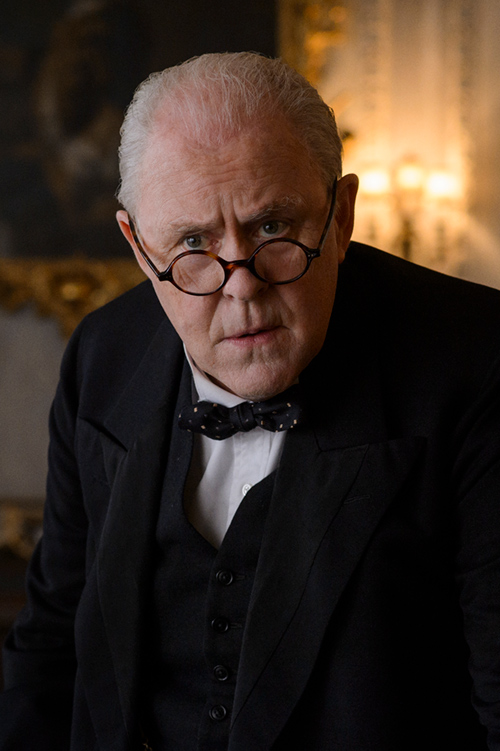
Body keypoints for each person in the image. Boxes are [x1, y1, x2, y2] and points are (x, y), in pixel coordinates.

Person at [1, 52, 500, 751]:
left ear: (342, 215)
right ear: (139, 249)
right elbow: (52, 644)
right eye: (193, 242)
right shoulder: (102, 356)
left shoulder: (478, 359)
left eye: (272, 228)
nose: (242, 287)